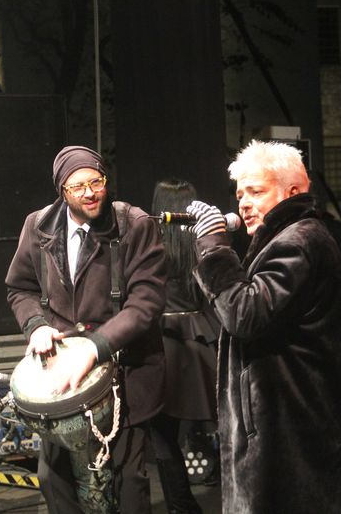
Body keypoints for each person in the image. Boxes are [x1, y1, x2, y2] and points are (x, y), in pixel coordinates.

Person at [185, 139, 341, 513]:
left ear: (293, 192)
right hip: (289, 436)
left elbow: (245, 315)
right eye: (239, 195)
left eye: (256, 191)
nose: (244, 203)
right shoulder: (288, 238)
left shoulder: (298, 243)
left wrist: (215, 250)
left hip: (292, 442)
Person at [5, 145, 167, 513]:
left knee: (127, 481)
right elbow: (20, 287)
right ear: (62, 190)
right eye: (78, 187)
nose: (90, 192)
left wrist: (95, 347)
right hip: (64, 380)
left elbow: (147, 302)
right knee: (53, 479)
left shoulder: (134, 225)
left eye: (96, 181)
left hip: (125, 370)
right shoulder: (39, 225)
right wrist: (36, 327)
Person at [150, 178, 220, 514]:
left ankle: (182, 506)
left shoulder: (150, 250)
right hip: (202, 340)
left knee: (163, 436)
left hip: (165, 345)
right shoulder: (204, 246)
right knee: (224, 426)